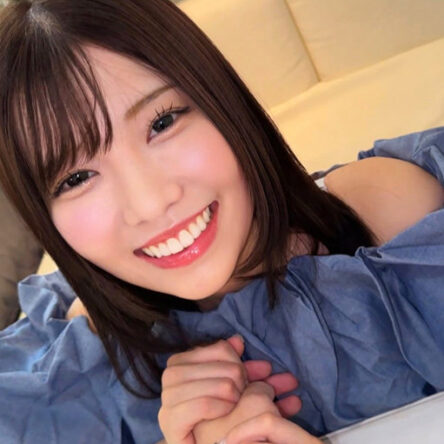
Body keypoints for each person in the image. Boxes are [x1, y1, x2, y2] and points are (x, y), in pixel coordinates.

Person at [0, 1, 444, 443]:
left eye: (162, 122)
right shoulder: (89, 353)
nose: (150, 204)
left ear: (220, 99)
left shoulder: (392, 218)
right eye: (76, 178)